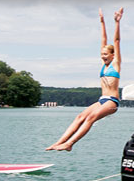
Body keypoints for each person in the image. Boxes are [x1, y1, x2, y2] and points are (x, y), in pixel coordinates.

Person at [46, 8, 123, 151]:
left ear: (113, 55)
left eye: (106, 54)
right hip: (101, 100)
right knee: (80, 116)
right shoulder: (104, 65)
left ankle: (70, 143)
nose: (103, 56)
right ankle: (60, 142)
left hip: (112, 102)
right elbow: (103, 40)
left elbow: (116, 41)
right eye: (102, 54)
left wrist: (117, 22)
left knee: (90, 118)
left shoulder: (116, 64)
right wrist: (102, 22)